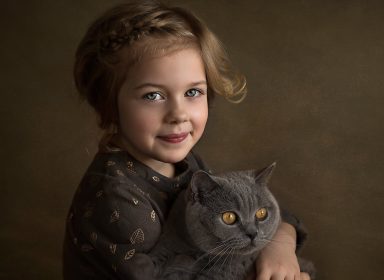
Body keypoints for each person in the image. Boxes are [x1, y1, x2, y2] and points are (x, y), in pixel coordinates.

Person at [63, 1, 310, 279]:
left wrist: (280, 248)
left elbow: (249, 209)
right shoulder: (117, 199)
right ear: (109, 105)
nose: (178, 114)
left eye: (193, 92)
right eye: (153, 96)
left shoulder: (186, 163)